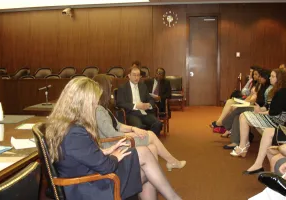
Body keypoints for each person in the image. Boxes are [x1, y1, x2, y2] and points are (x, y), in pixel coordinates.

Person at [45, 77, 182, 200]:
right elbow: (106, 166)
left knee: (146, 162)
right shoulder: (75, 132)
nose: (94, 106)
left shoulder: (65, 125)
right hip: (89, 189)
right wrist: (115, 156)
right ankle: (174, 198)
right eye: (92, 102)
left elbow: (80, 155)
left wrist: (105, 151)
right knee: (146, 163)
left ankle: (173, 198)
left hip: (89, 177)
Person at [93, 74, 185, 171]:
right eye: (110, 84)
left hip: (117, 139)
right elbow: (111, 134)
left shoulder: (103, 107)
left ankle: (154, 178)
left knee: (153, 147)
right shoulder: (99, 110)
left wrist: (134, 129)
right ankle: (171, 162)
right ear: (104, 88)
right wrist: (132, 134)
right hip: (114, 143)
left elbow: (118, 125)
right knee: (151, 135)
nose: (111, 86)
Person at [230, 68, 286, 157]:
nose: (270, 78)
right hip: (272, 118)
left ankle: (243, 146)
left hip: (276, 121)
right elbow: (269, 107)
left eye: (273, 76)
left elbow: (274, 113)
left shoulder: (282, 92)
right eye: (270, 76)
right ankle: (243, 145)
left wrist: (260, 113)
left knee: (244, 116)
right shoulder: (276, 90)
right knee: (244, 115)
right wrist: (260, 110)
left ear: (279, 79)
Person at [221, 69, 271, 148]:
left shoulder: (269, 89)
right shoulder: (261, 86)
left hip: (260, 109)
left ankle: (224, 124)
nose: (259, 78)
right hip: (257, 107)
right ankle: (235, 142)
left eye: (260, 76)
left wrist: (258, 107)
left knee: (239, 109)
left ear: (266, 77)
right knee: (238, 116)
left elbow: (265, 104)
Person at [117, 66, 163, 136]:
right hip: (131, 113)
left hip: (144, 112)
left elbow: (150, 99)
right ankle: (143, 143)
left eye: (138, 75)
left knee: (158, 123)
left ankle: (150, 140)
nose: (136, 77)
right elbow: (120, 103)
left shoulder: (143, 86)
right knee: (139, 126)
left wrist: (149, 105)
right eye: (134, 75)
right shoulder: (123, 87)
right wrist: (135, 106)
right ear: (129, 76)